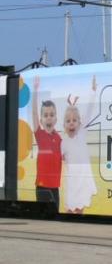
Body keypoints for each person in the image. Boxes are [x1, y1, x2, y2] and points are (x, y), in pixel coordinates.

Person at [61, 76, 97, 213]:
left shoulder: (81, 133)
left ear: (79, 123)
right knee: (70, 207)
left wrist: (93, 92)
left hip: (82, 178)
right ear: (64, 124)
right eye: (68, 120)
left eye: (74, 120)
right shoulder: (63, 142)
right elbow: (61, 158)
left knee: (80, 207)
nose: (71, 122)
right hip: (71, 180)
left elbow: (89, 111)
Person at [31, 76, 62, 210]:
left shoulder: (59, 138)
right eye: (45, 115)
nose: (48, 117)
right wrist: (35, 90)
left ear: (55, 118)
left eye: (51, 115)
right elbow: (33, 113)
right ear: (42, 119)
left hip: (55, 187)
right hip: (42, 186)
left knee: (56, 215)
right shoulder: (40, 135)